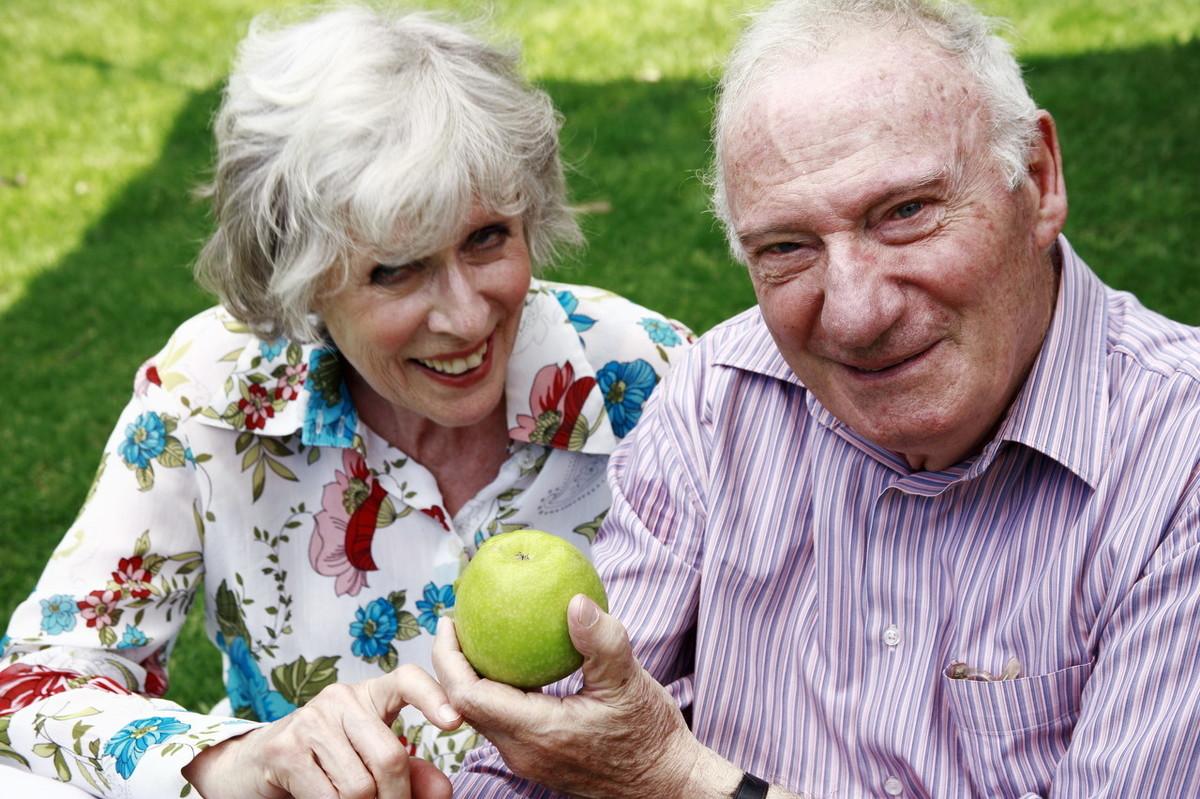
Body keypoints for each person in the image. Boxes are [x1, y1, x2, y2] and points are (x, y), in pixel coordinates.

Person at [438, 1, 1200, 797]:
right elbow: (552, 750)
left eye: (905, 213)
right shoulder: (716, 400)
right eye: (787, 247)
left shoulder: (1178, 462)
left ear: (1038, 181)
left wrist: (680, 777)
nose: (856, 313)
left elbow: (632, 763)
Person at [0, 6, 691, 798]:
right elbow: (37, 681)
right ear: (297, 275)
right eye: (395, 270)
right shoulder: (214, 390)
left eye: (487, 238)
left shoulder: (650, 374)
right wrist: (240, 758)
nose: (467, 316)